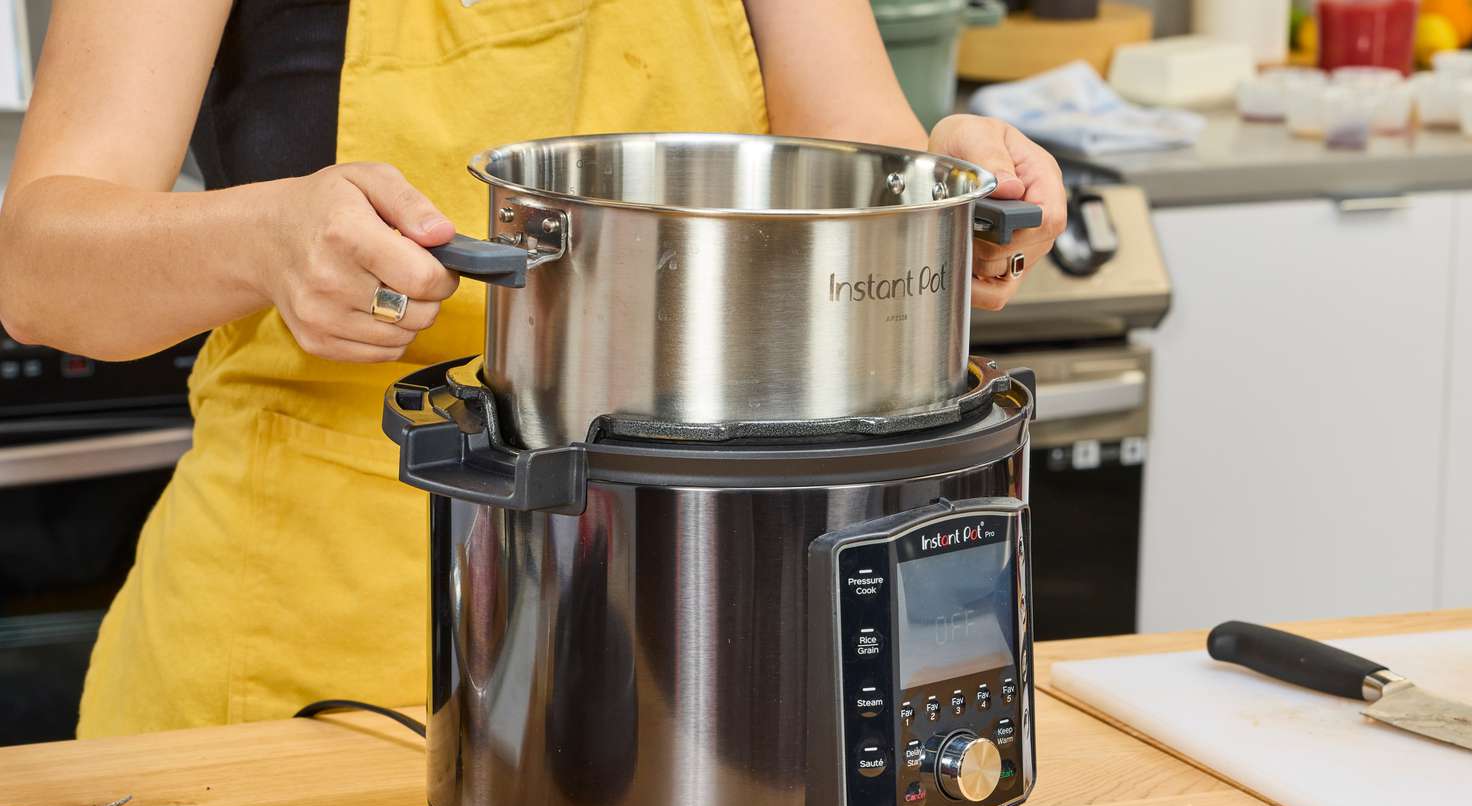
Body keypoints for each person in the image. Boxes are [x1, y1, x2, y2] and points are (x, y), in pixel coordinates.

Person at [0, 0, 1065, 737]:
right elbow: (41, 264)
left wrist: (954, 197)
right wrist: (262, 239)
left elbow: (859, 172)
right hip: (312, 640)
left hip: (699, 633)